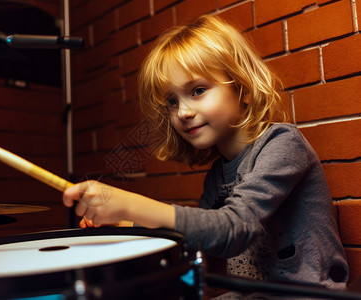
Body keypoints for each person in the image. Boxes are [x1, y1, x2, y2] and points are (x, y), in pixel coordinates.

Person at [62, 14, 348, 296]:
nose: (183, 112)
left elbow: (232, 230)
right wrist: (124, 224)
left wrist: (130, 205)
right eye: (172, 101)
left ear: (242, 89)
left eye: (198, 90)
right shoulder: (218, 176)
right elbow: (201, 237)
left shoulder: (283, 144)